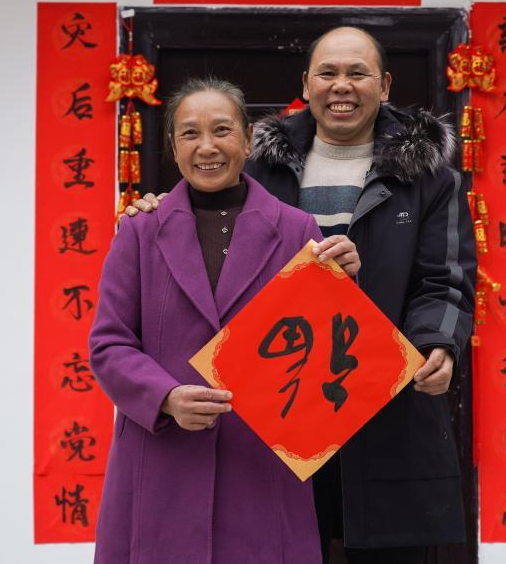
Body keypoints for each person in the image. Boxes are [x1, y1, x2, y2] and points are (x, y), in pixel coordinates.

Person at [129, 27, 477, 563]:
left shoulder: (430, 177)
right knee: (280, 545)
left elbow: (445, 278)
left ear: (384, 85)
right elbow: (202, 223)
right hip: (279, 407)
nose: (342, 86)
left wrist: (437, 343)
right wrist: (150, 209)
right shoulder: (259, 164)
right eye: (327, 73)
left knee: (392, 549)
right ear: (306, 83)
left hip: (386, 400)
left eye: (357, 73)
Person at [86, 78, 361, 564]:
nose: (207, 147)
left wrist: (347, 280)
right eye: (190, 133)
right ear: (173, 146)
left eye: (222, 130)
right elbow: (110, 344)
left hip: (261, 462)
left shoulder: (296, 229)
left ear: (248, 139)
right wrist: (165, 397)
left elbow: (329, 347)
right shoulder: (139, 230)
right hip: (162, 459)